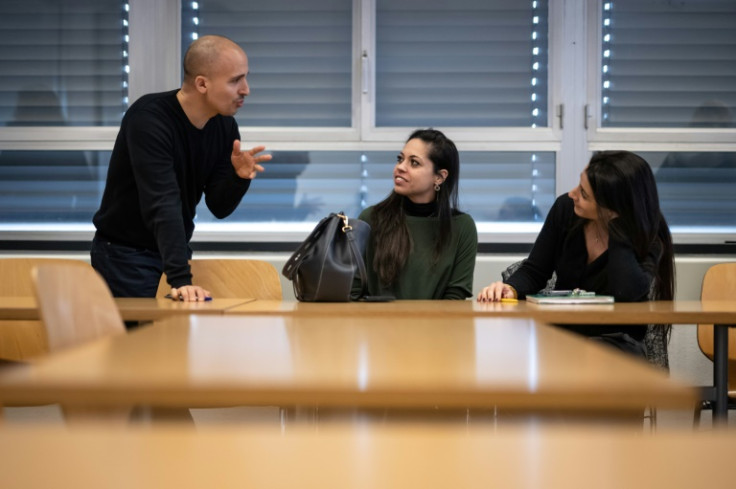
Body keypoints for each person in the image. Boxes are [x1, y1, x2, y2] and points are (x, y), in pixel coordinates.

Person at [91, 35, 271, 302]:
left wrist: (238, 178)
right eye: (235, 80)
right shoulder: (149, 119)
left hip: (172, 251)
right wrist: (180, 279)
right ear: (202, 84)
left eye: (245, 78)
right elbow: (162, 201)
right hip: (124, 255)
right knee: (134, 344)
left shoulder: (223, 125)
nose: (246, 89)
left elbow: (219, 207)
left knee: (173, 341)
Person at [477, 150, 675, 357]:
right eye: (579, 185)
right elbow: (535, 270)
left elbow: (627, 292)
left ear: (612, 208)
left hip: (618, 344)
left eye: (584, 194)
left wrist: (617, 228)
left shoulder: (648, 234)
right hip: (561, 335)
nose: (572, 194)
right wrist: (510, 289)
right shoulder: (566, 209)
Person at [356, 128, 477, 300]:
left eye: (414, 163)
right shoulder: (370, 219)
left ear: (439, 177)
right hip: (377, 325)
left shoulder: (462, 226)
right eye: (400, 159)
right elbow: (353, 292)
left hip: (438, 325)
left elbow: (454, 298)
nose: (400, 167)